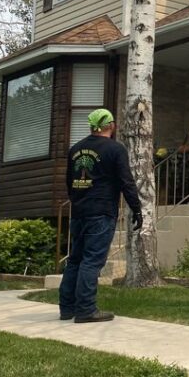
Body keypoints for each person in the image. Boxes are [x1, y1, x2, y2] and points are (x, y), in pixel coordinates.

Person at [60, 108, 142, 323]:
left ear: (91, 125)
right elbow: (126, 181)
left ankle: (67, 308)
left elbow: (69, 181)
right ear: (110, 125)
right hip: (101, 211)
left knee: (75, 260)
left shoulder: (75, 149)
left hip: (78, 212)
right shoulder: (115, 149)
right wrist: (137, 209)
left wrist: (77, 201)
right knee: (92, 261)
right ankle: (86, 310)